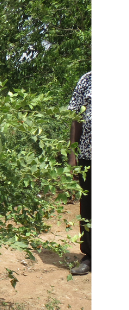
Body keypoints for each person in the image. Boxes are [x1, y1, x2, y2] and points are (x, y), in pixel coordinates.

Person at [67, 72, 91, 275]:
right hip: (89, 157)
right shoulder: (87, 80)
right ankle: (90, 255)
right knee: (89, 207)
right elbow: (76, 119)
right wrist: (72, 157)